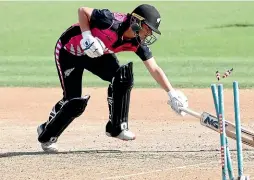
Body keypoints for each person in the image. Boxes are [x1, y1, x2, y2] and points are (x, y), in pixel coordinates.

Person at [37, 4, 188, 152]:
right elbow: (83, 11)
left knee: (122, 77)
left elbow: (154, 68)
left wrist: (172, 93)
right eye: (147, 29)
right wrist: (87, 36)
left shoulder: (137, 42)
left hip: (97, 55)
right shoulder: (110, 21)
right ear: (136, 21)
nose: (148, 34)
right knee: (73, 102)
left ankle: (116, 127)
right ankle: (47, 133)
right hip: (69, 52)